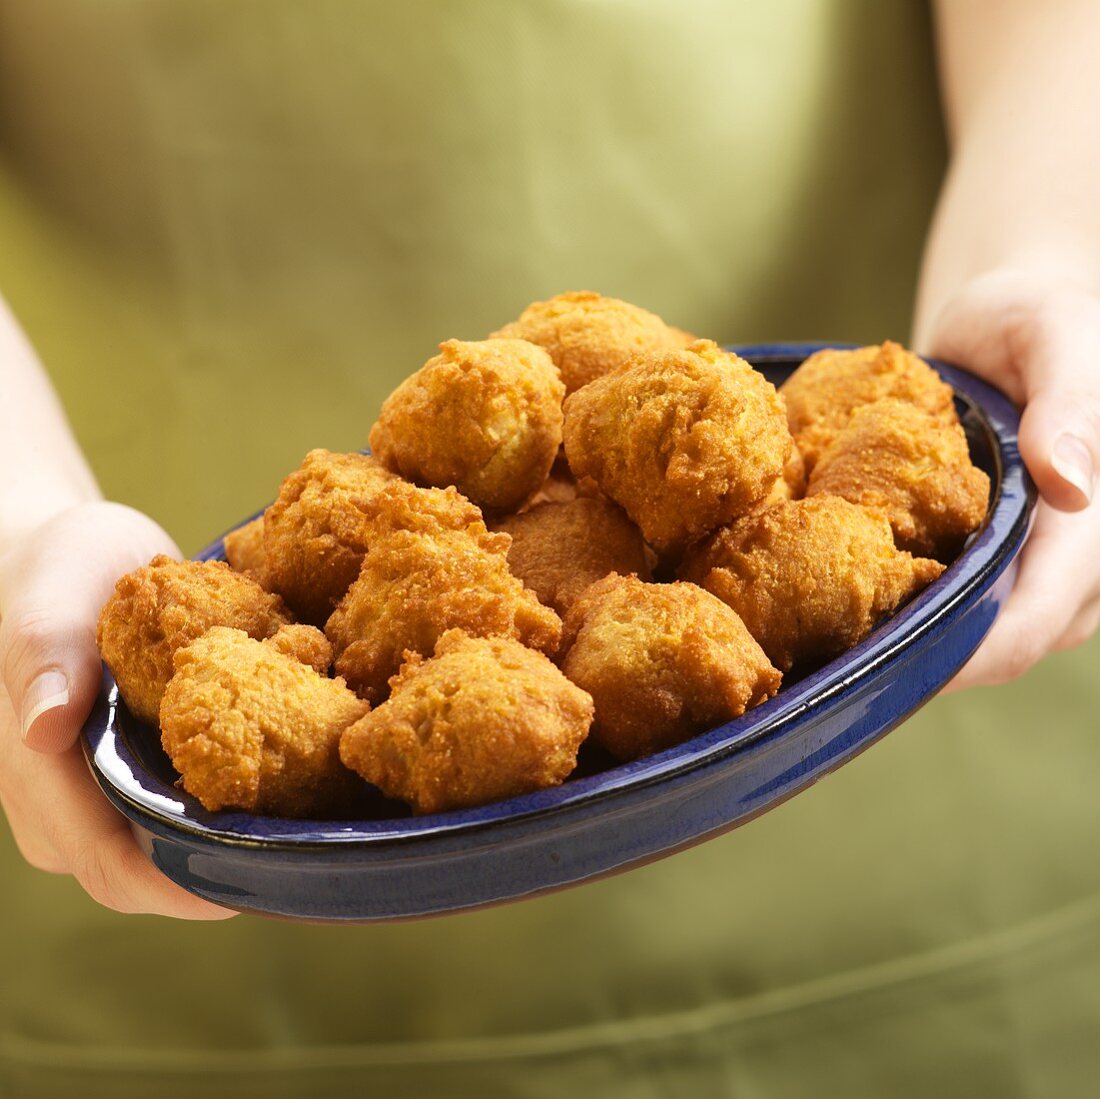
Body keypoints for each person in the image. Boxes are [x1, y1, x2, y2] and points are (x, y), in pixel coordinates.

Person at [1, 1, 1098, 1095]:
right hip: (228, 1004)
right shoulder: (411, 582)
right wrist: (22, 527)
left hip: (927, 844)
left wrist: (1050, 242)